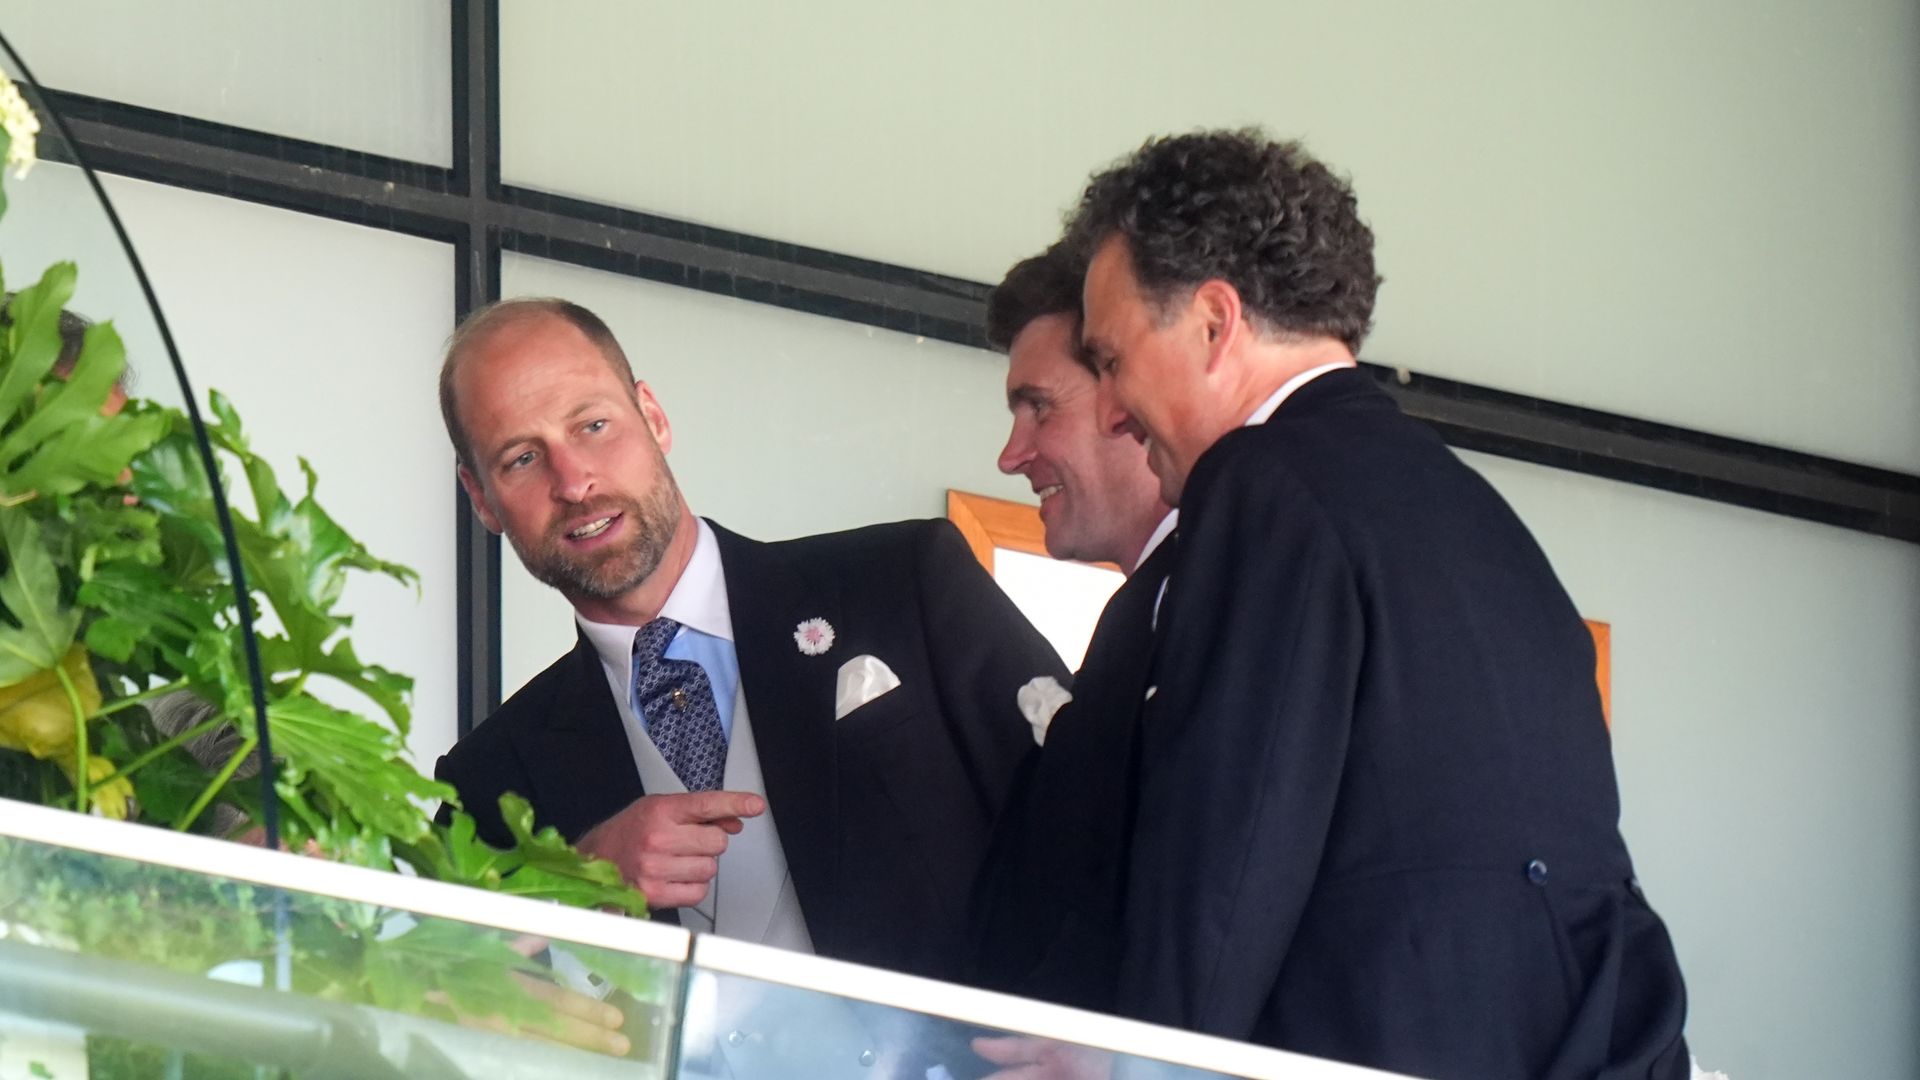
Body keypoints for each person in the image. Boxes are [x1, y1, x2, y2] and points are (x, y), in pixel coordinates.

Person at [1065, 130, 1691, 1079]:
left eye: (1111, 359)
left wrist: (1136, 1063)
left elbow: (1230, 859)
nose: (1110, 408)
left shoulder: (1262, 485)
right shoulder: (1481, 520)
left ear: (1213, 321)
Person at [433, 298, 1066, 986]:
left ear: (653, 416)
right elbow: (432, 994)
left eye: (593, 424)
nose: (575, 481)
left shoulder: (905, 581)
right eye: (522, 458)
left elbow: (1086, 813)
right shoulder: (493, 777)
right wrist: (574, 884)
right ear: (482, 499)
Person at [967, 242, 1175, 1016]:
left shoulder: (1208, 604)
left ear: (1129, 393)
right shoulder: (1143, 613)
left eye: (1040, 406)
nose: (1012, 454)